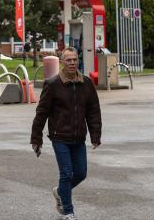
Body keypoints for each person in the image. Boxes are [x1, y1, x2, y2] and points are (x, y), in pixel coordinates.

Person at [30, 48, 102, 220]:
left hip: (78, 137)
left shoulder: (86, 83)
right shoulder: (53, 84)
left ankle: (60, 191)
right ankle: (68, 212)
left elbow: (93, 111)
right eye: (68, 60)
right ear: (62, 62)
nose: (72, 63)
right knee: (67, 173)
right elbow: (41, 113)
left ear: (78, 61)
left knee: (81, 173)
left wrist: (95, 135)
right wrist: (36, 139)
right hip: (59, 137)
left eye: (74, 59)